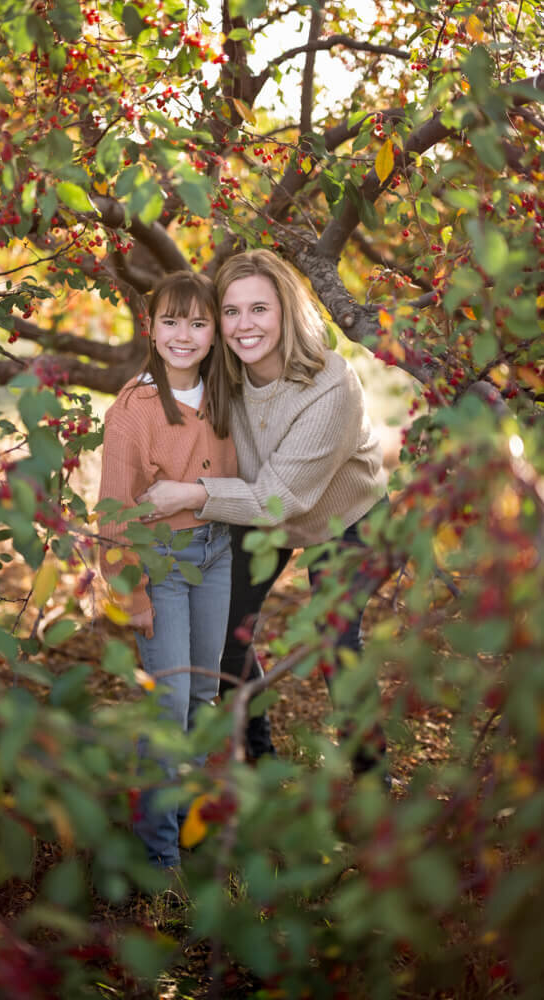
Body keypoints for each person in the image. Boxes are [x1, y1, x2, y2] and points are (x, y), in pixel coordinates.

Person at [138, 249, 390, 776]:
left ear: (286, 311)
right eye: (231, 312)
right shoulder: (221, 374)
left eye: (259, 309)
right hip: (253, 507)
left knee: (335, 638)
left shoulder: (331, 385)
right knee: (225, 632)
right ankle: (256, 756)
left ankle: (371, 777)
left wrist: (191, 494)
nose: (244, 325)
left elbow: (281, 498)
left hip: (343, 516)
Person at [97, 271, 237, 870]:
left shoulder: (226, 393)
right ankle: (159, 859)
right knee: (170, 703)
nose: (184, 335)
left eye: (198, 323)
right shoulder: (133, 410)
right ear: (150, 328)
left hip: (217, 554)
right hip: (163, 564)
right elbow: (112, 512)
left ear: (215, 332)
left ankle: (189, 829)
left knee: (205, 694)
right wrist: (132, 596)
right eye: (171, 321)